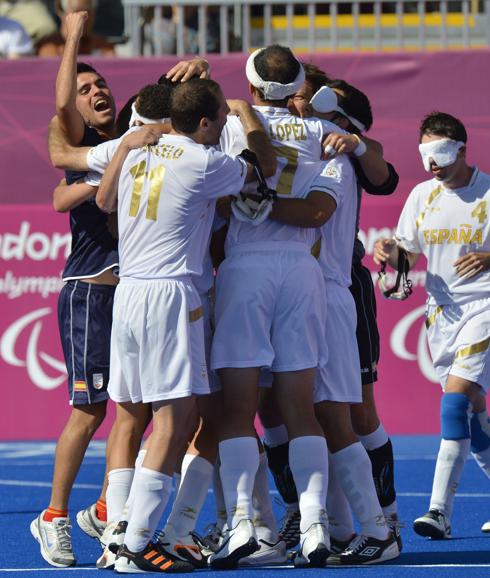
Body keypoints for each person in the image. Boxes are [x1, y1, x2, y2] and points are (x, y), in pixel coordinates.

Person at [93, 77, 261, 574]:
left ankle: (120, 532)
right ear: (205, 122)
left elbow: (103, 202)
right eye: (220, 120)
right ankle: (139, 541)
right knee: (175, 418)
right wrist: (249, 120)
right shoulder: (205, 161)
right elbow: (256, 173)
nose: (223, 126)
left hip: (129, 292)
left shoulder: (138, 147)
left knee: (136, 414)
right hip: (171, 295)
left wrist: (127, 142)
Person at [208, 44, 348, 569]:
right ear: (297, 88)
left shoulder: (230, 126)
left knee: (238, 406)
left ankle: (244, 524)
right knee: (298, 405)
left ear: (250, 86)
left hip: (246, 264)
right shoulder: (317, 132)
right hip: (301, 270)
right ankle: (315, 529)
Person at [373, 111, 490, 539]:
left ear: (461, 148)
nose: (431, 163)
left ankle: (438, 511)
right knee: (474, 418)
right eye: (425, 154)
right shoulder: (422, 196)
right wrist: (390, 253)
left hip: (485, 309)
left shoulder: (488, 192)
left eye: (439, 152)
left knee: (455, 404)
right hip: (440, 316)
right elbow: (408, 257)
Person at [30, 10, 118, 568]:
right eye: (87, 89)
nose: (96, 93)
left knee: (140, 407)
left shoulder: (130, 132)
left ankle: (110, 511)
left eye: (101, 83)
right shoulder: (81, 142)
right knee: (88, 410)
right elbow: (62, 198)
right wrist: (71, 39)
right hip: (90, 289)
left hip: (138, 293)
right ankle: (55, 516)